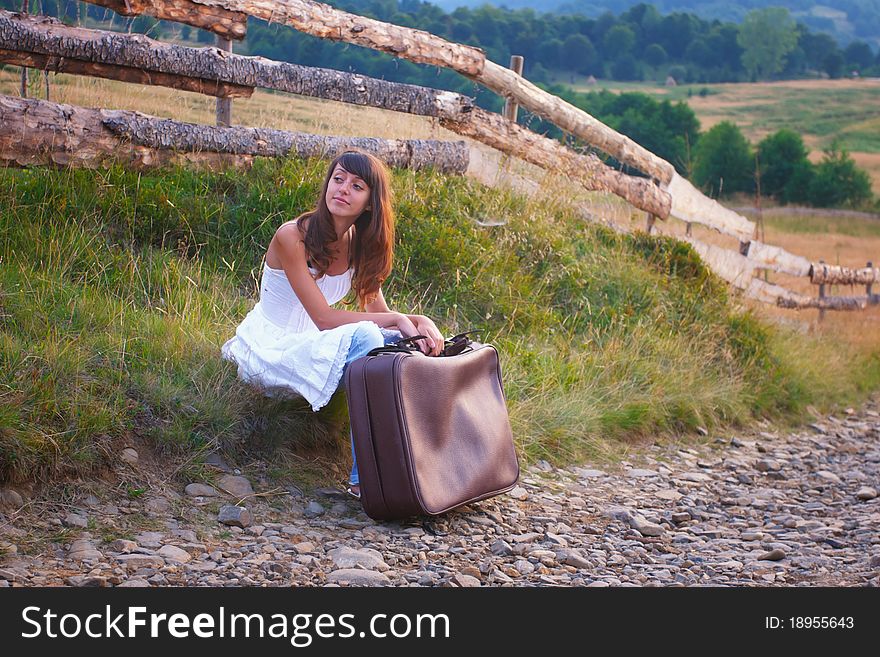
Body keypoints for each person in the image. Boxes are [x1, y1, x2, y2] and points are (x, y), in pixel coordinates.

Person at [221, 150, 445, 499]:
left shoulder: (357, 244)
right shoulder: (292, 236)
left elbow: (376, 309)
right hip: (271, 348)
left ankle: (414, 467)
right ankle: (365, 480)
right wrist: (399, 321)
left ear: (370, 203)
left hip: (312, 345)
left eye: (356, 186)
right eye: (338, 179)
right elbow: (324, 319)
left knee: (396, 347)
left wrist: (418, 322)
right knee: (374, 337)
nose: (342, 189)